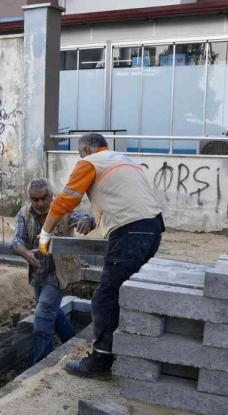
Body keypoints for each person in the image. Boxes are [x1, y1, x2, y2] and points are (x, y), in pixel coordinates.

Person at [38, 133, 164, 380]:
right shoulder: (125, 161)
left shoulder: (90, 162)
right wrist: (94, 220)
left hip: (130, 231)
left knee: (105, 297)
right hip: (152, 228)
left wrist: (45, 234)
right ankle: (127, 351)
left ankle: (100, 362)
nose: (79, 157)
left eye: (79, 153)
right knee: (127, 292)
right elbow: (119, 200)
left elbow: (66, 201)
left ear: (85, 149)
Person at [11, 178, 95, 364]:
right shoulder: (24, 214)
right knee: (53, 312)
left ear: (51, 196)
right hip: (37, 272)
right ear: (30, 199)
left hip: (59, 273)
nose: (40, 203)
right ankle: (73, 343)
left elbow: (83, 218)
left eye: (44, 198)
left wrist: (87, 222)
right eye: (35, 199)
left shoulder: (63, 209)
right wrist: (25, 253)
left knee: (42, 317)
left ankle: (40, 364)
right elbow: (16, 241)